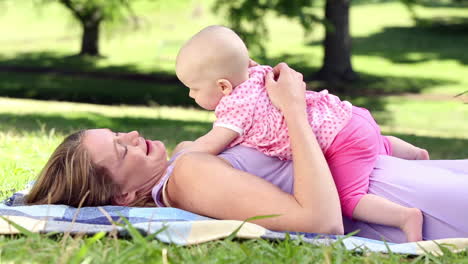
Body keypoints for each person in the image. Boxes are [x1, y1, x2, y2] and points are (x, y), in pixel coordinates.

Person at [25, 64, 468, 243]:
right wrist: (292, 107)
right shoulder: (187, 178)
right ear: (122, 196)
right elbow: (321, 222)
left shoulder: (186, 160)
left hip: (398, 174)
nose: (134, 134)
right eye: (122, 150)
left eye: (119, 132)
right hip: (407, 198)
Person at [174, 25, 428, 241]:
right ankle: (414, 154)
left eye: (194, 89)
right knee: (374, 144)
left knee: (348, 199)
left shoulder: (235, 108)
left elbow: (211, 145)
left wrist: (184, 152)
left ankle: (405, 218)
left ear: (223, 86)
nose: (190, 95)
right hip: (350, 118)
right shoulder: (256, 74)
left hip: (343, 140)